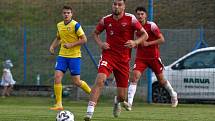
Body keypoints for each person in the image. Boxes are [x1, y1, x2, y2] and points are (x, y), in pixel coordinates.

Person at [84, 0, 148, 120]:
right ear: (112, 5)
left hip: (123, 60)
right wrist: (101, 44)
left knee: (122, 97)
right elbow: (95, 33)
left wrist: (135, 42)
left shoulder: (131, 19)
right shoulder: (106, 20)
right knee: (100, 79)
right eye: (114, 4)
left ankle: (117, 101)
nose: (116, 6)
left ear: (124, 6)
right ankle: (89, 112)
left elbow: (145, 35)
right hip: (108, 56)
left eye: (119, 4)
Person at [123, 6, 178, 111]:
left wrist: (148, 43)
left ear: (146, 15)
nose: (140, 16)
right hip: (141, 58)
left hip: (153, 57)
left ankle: (173, 94)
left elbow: (162, 39)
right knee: (134, 77)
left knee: (161, 81)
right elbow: (136, 41)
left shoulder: (151, 25)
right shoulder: (134, 27)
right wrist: (133, 44)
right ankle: (129, 103)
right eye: (138, 14)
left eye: (142, 14)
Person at [49, 5, 91, 110]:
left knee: (77, 82)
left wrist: (71, 45)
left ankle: (93, 94)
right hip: (62, 56)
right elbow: (58, 38)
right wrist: (52, 46)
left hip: (74, 57)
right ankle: (59, 104)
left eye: (68, 13)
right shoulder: (59, 25)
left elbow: (84, 39)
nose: (66, 14)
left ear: (71, 14)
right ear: (62, 14)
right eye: (64, 13)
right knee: (57, 77)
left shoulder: (75, 25)